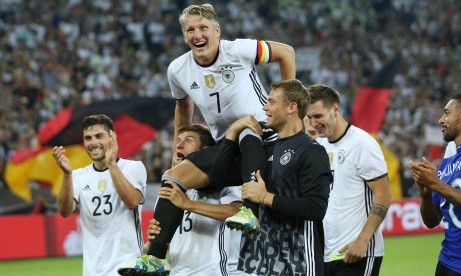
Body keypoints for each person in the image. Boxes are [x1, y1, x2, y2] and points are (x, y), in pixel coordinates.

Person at [117, 3, 295, 274]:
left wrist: (289, 104)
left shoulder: (237, 50)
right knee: (173, 176)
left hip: (263, 137)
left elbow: (286, 52)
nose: (197, 34)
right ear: (184, 36)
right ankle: (154, 257)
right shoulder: (178, 69)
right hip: (225, 146)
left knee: (247, 128)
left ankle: (250, 211)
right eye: (190, 30)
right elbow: (182, 106)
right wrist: (179, 145)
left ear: (217, 31)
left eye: (203, 28)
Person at [237, 79, 332, 275]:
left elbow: (316, 208)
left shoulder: (311, 151)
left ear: (292, 107)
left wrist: (265, 198)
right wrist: (233, 130)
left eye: (271, 102)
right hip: (262, 263)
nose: (265, 107)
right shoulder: (263, 147)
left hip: (299, 263)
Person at [306, 84, 392, 276]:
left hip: (357, 253)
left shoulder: (361, 142)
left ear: (335, 109)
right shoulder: (317, 145)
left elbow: (384, 194)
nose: (312, 123)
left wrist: (362, 240)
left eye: (318, 116)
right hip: (325, 254)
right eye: (309, 117)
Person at [143, 124, 246, 276]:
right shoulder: (170, 190)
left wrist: (189, 204)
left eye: (189, 141)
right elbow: (154, 246)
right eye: (178, 140)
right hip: (176, 271)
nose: (179, 144)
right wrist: (153, 241)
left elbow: (239, 213)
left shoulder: (224, 184)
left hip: (213, 272)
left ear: (206, 154)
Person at [53, 114, 146, 276]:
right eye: (87, 138)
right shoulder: (78, 176)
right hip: (93, 270)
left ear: (112, 137)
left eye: (98, 136)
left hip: (129, 267)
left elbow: (132, 201)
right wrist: (67, 175)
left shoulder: (133, 168)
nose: (93, 143)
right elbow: (65, 211)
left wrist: (111, 164)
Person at [409, 91, 461, 276]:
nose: (441, 120)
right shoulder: (446, 164)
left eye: (447, 113)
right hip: (446, 263)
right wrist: (425, 195)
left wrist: (435, 182)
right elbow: (432, 221)